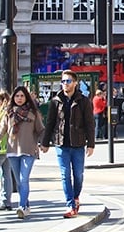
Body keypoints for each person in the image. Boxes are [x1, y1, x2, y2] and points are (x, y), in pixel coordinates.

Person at [40, 69, 95, 219]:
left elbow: (90, 124)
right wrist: (45, 143)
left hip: (78, 144)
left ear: (75, 83)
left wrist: (91, 144)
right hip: (61, 143)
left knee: (78, 175)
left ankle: (76, 197)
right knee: (65, 175)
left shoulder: (84, 101)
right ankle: (70, 205)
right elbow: (50, 122)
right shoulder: (55, 101)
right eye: (63, 81)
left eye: (68, 81)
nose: (65, 84)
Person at [0, 85, 44, 219]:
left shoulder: (33, 112)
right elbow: (1, 130)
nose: (19, 99)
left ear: (26, 97)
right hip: (12, 150)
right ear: (13, 98)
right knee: (19, 181)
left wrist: (43, 143)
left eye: (22, 96)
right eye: (17, 96)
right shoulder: (8, 113)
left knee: (24, 178)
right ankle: (25, 203)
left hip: (28, 150)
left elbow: (40, 130)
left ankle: (22, 206)